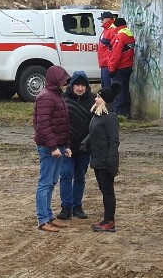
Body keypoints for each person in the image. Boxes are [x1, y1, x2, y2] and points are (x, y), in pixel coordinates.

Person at [33, 65, 71, 233]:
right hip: (50, 148)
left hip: (58, 146)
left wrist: (66, 145)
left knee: (51, 182)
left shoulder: (56, 96)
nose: (65, 84)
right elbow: (43, 125)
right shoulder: (46, 97)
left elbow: (63, 124)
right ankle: (42, 219)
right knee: (45, 183)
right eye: (62, 80)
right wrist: (53, 147)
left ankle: (49, 216)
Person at [80, 85, 121, 233]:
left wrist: (111, 161)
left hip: (105, 161)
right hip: (97, 158)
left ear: (105, 100)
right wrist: (86, 142)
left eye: (98, 96)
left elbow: (114, 141)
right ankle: (107, 219)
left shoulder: (110, 117)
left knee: (108, 191)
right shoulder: (99, 115)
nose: (95, 98)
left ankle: (109, 221)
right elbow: (94, 132)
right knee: (104, 190)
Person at [56, 71, 94, 220]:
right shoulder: (63, 100)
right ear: (71, 86)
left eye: (83, 85)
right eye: (77, 85)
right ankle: (66, 207)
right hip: (67, 147)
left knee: (80, 176)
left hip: (85, 148)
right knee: (65, 175)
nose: (80, 88)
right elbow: (58, 124)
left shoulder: (94, 101)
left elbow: (97, 125)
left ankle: (77, 206)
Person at [107, 17, 135, 119]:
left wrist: (112, 68)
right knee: (125, 89)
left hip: (120, 67)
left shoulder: (120, 36)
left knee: (118, 90)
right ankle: (126, 112)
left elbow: (116, 54)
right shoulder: (129, 34)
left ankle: (120, 113)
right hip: (127, 66)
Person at [97, 11, 117, 88]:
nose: (101, 21)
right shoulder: (106, 29)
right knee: (104, 85)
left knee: (107, 87)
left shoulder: (112, 30)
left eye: (102, 19)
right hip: (103, 62)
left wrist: (111, 63)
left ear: (108, 19)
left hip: (107, 63)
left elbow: (114, 49)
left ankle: (109, 100)